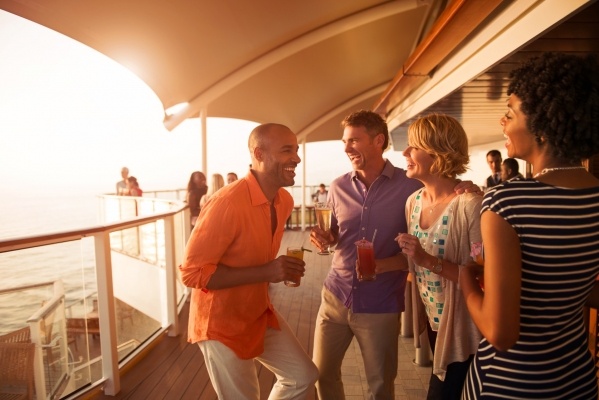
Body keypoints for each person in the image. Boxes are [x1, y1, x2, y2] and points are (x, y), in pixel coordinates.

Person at [309, 109, 481, 399]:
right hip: (336, 293)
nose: (346, 148)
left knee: (380, 385)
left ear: (378, 141)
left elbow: (424, 250)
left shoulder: (412, 187)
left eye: (354, 140)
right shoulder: (341, 187)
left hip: (385, 302)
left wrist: (466, 188)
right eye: (344, 141)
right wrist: (327, 238)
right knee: (321, 375)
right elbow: (337, 233)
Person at [460, 52, 599, 399]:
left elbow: (500, 333)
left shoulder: (507, 202)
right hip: (577, 381)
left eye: (510, 113)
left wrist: (465, 281)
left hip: (510, 384)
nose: (502, 121)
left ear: (542, 126)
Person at [179, 123, 318, 399]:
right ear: (259, 154)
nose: (297, 158)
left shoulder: (284, 201)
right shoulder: (227, 203)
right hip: (221, 324)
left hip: (257, 311)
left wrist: (274, 270)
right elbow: (191, 274)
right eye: (287, 150)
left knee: (302, 376)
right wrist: (267, 271)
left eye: (296, 150)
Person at [395, 114, 481, 400]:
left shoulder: (470, 205)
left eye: (414, 146)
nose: (405, 152)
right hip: (435, 324)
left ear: (439, 152)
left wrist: (426, 260)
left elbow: (484, 277)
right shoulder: (413, 202)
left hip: (466, 330)